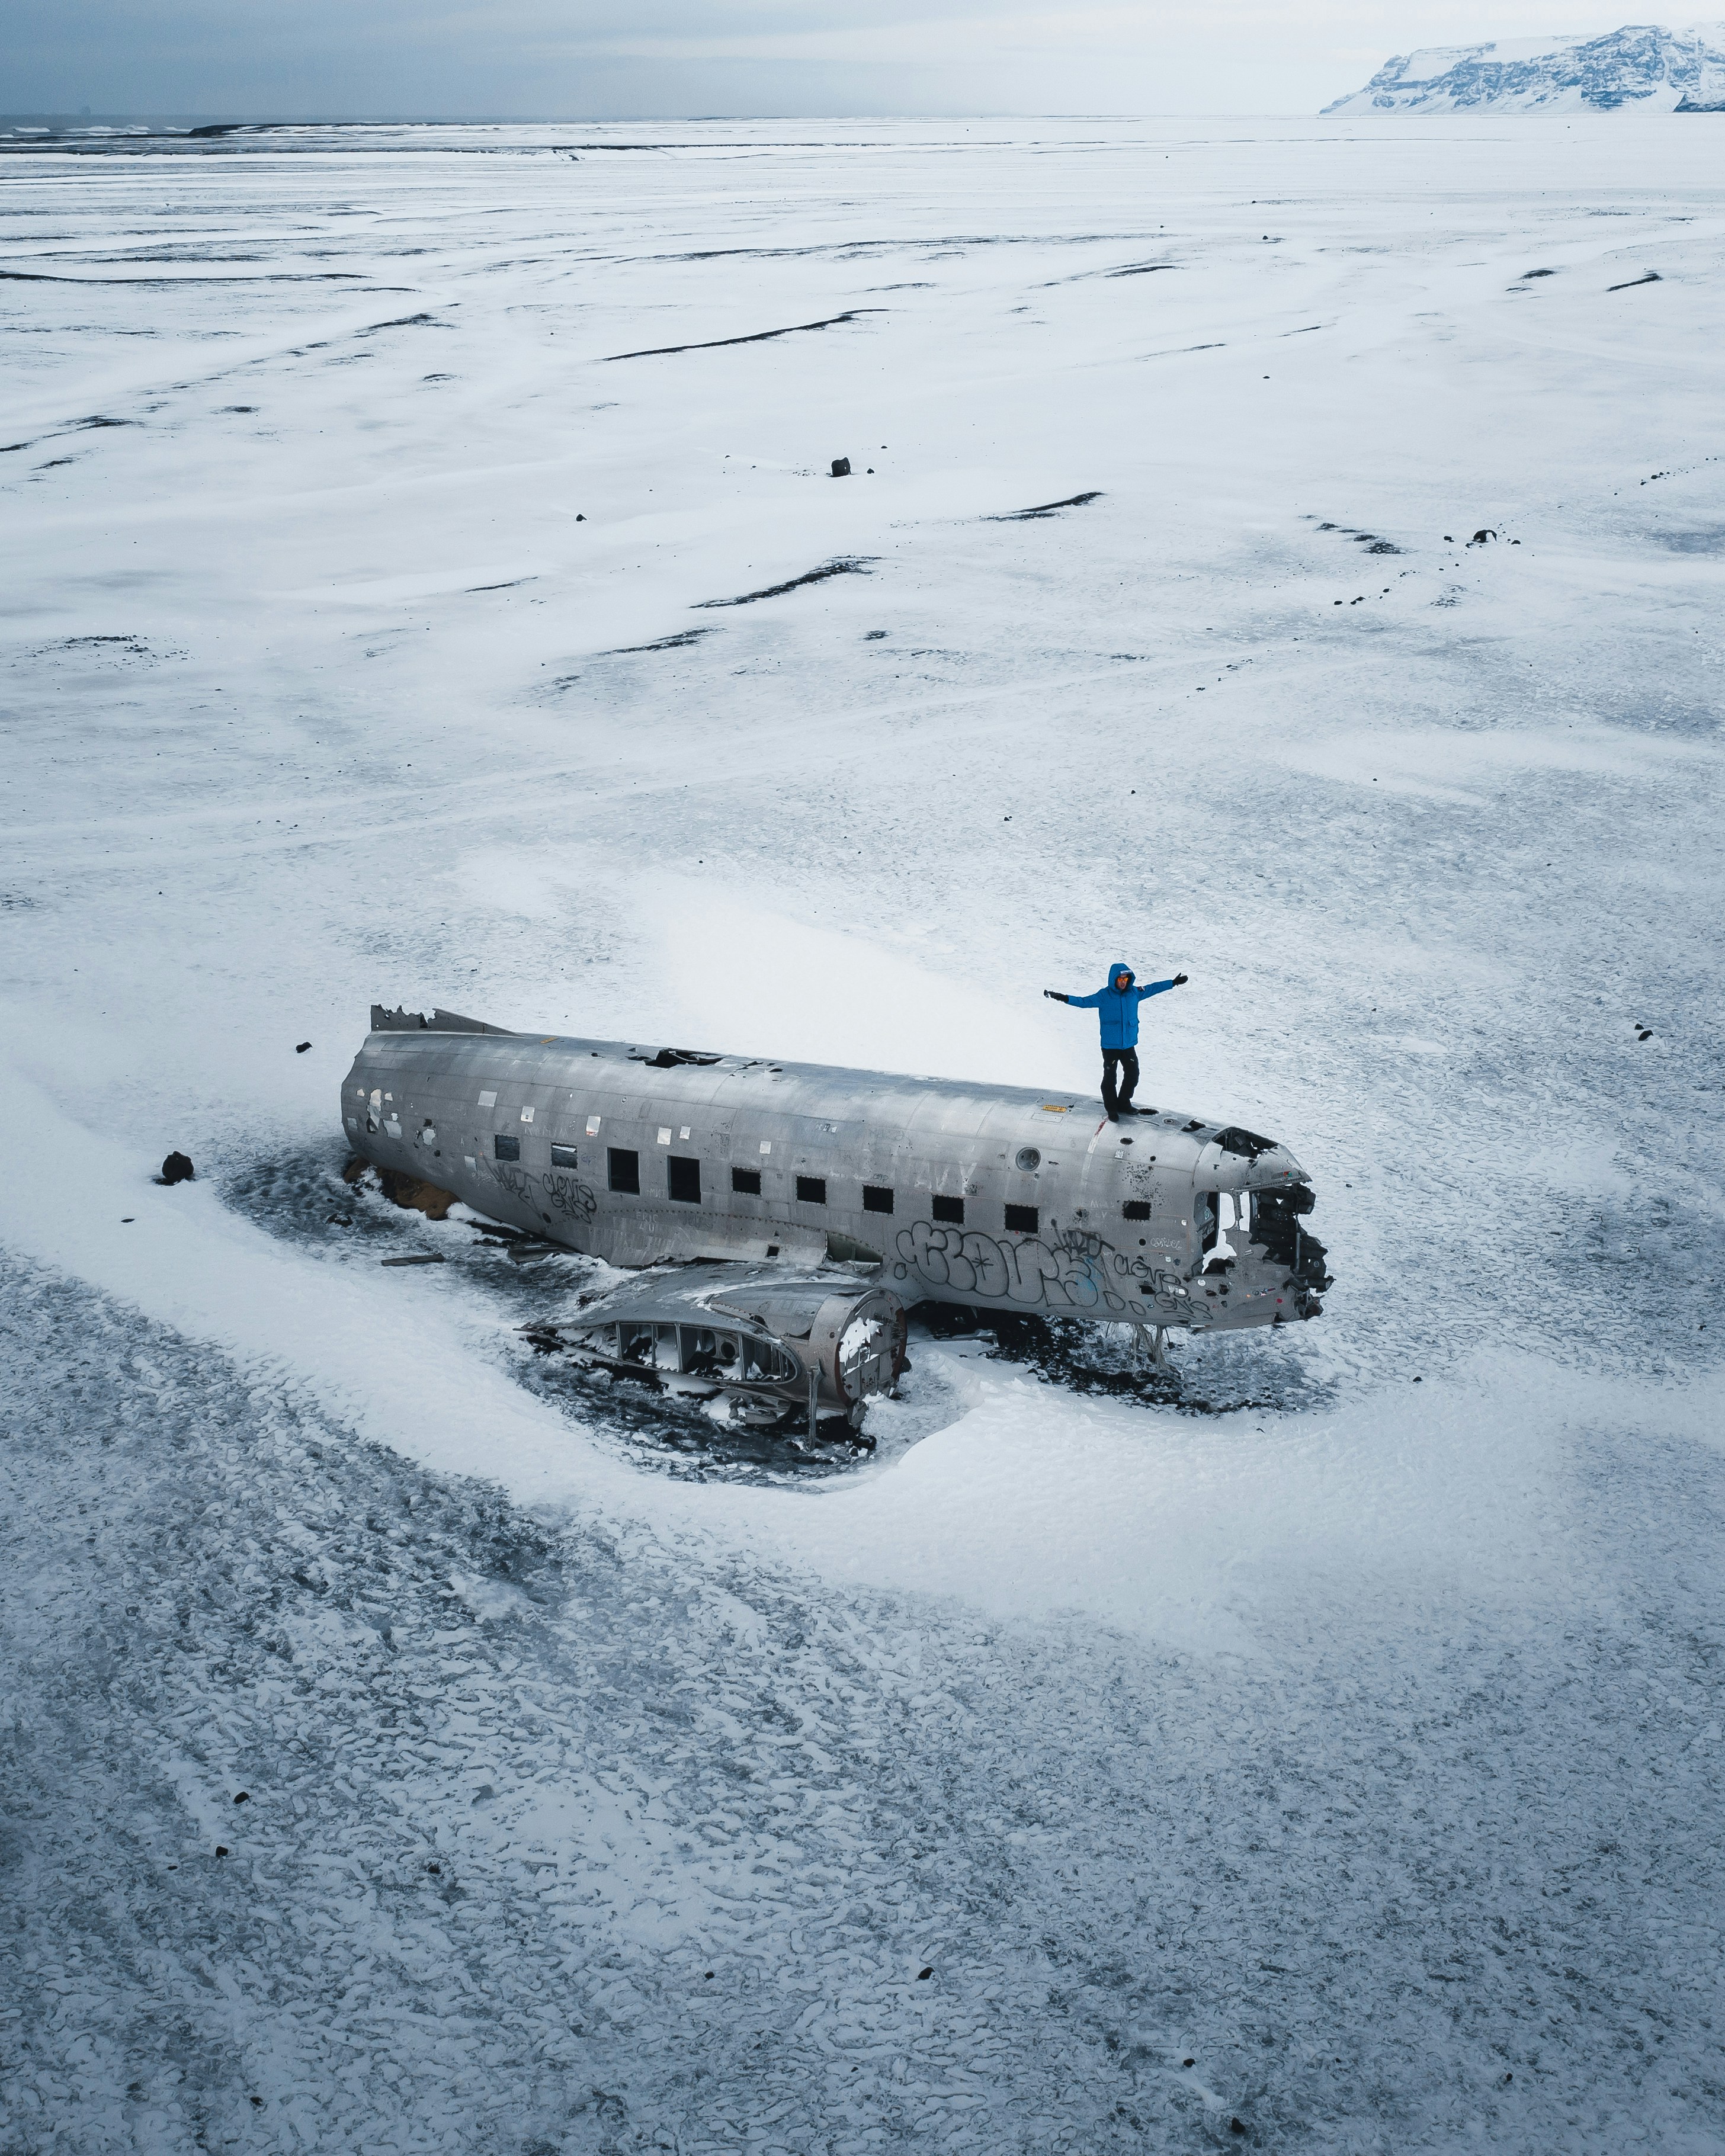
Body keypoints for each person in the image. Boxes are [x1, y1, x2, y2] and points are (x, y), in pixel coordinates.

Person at [1044, 961, 1188, 1120]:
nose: (1123, 982)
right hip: (1110, 1047)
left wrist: (1173, 983)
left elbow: (1153, 988)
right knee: (1110, 1078)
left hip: (1128, 1045)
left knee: (1133, 1074)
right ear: (1113, 979)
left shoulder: (1135, 993)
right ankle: (1111, 1108)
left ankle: (1124, 1103)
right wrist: (1064, 998)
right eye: (1120, 980)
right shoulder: (1104, 996)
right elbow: (1083, 1002)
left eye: (1126, 980)